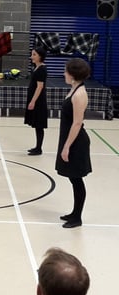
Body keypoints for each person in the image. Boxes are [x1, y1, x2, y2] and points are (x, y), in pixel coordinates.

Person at [56, 58, 92, 229]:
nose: (64, 73)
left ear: (73, 74)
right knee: (72, 178)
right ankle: (74, 212)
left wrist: (67, 146)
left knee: (77, 179)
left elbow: (77, 123)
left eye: (66, 71)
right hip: (70, 138)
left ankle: (77, 217)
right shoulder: (74, 89)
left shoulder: (79, 94)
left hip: (77, 142)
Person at [24, 47, 48, 156]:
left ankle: (39, 148)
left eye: (34, 55)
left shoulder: (42, 69)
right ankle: (37, 146)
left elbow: (40, 87)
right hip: (35, 98)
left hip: (39, 101)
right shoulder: (36, 67)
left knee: (39, 124)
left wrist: (33, 101)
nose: (31, 57)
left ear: (40, 56)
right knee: (37, 125)